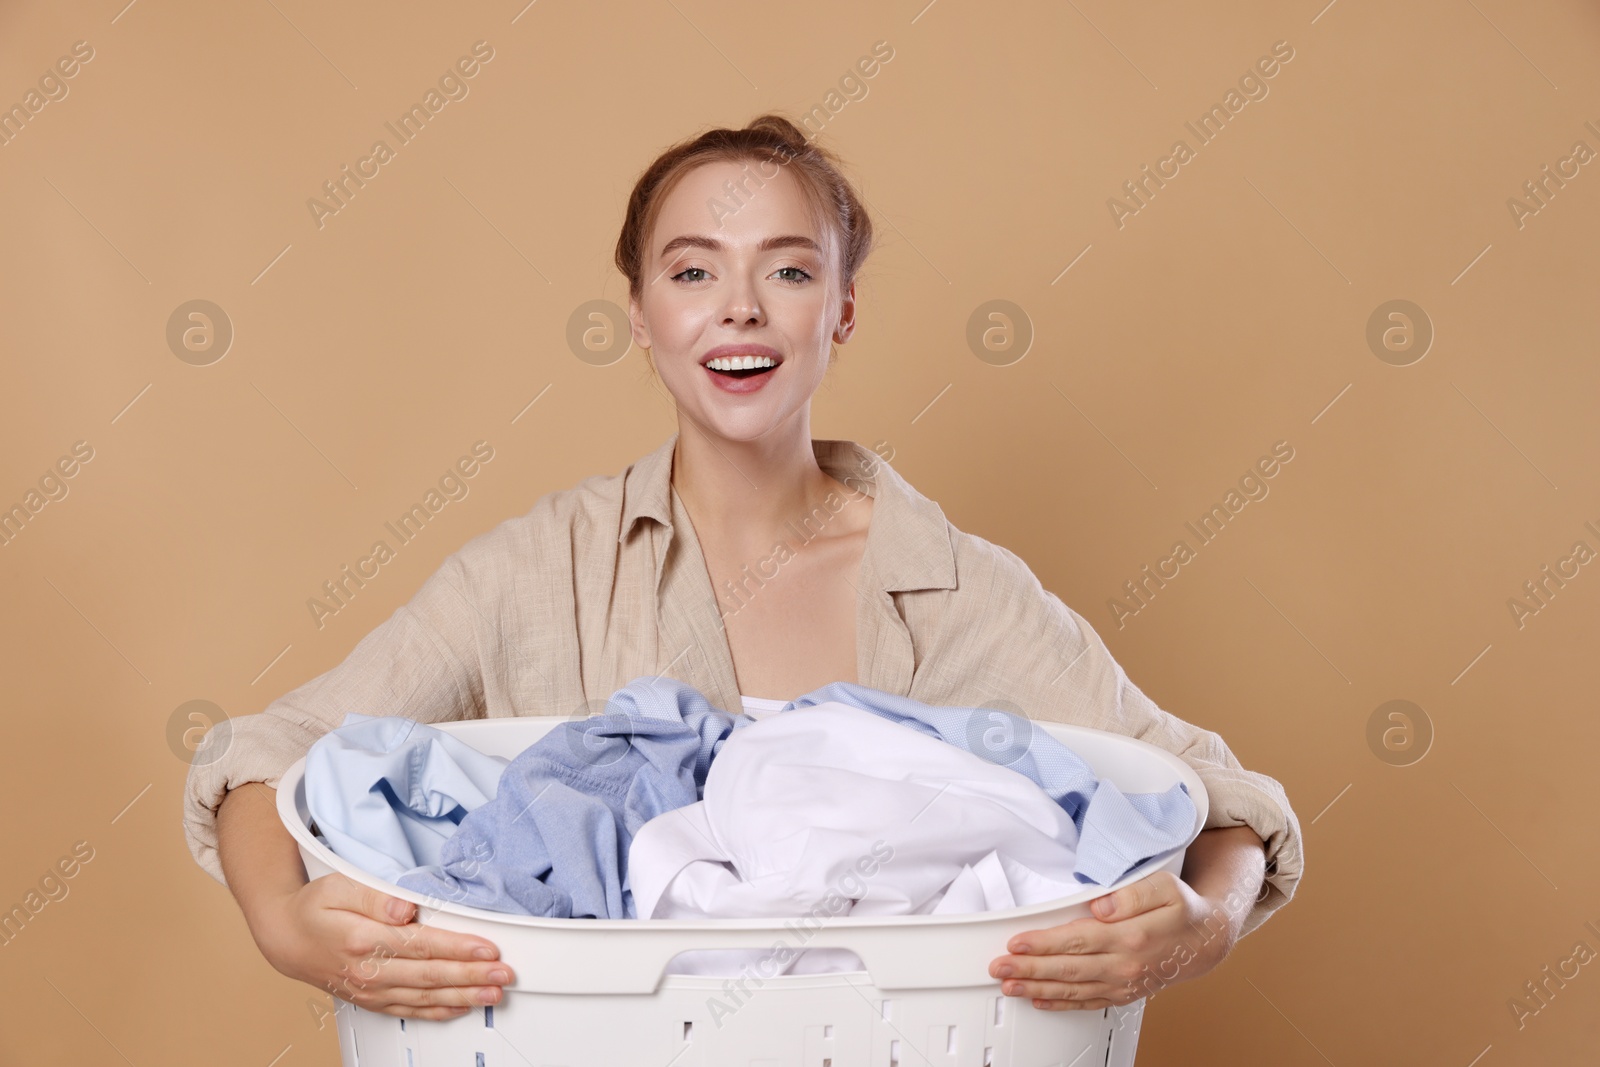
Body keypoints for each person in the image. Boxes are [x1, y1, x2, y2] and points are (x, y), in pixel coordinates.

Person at [184, 114, 1302, 1022]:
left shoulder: (953, 584)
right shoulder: (539, 571)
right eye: (692, 270)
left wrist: (1198, 927)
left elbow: (1213, 796)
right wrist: (289, 930)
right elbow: (269, 757)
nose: (739, 307)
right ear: (640, 313)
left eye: (789, 270)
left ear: (842, 311)